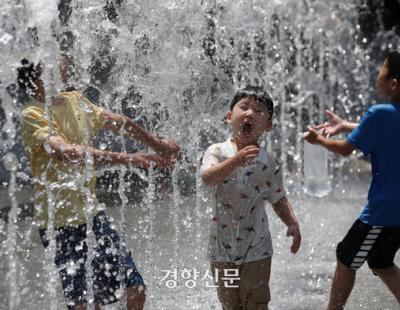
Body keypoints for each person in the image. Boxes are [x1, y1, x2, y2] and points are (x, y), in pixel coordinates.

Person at [18, 57, 180, 310]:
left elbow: (117, 121)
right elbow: (69, 153)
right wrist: (130, 159)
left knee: (134, 288)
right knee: (84, 304)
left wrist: (157, 145)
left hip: (92, 215)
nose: (63, 61)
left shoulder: (75, 100)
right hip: (59, 225)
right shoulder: (32, 114)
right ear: (35, 74)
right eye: (51, 57)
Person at [304, 51, 400, 309]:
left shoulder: (379, 113)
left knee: (346, 255)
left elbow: (346, 149)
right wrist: (345, 124)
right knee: (380, 258)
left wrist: (319, 140)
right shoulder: (387, 116)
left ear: (394, 84)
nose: (376, 75)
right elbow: (383, 127)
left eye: (381, 70)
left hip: (385, 209)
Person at [201, 86, 301, 309]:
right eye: (243, 107)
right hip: (221, 247)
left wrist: (292, 223)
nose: (249, 114)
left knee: (257, 303)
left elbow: (278, 198)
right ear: (229, 117)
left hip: (257, 246)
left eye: (258, 110)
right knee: (230, 304)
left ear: (268, 126)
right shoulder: (216, 151)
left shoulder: (269, 161)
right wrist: (235, 161)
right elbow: (207, 177)